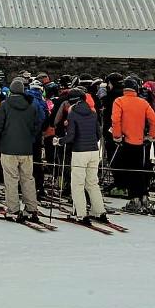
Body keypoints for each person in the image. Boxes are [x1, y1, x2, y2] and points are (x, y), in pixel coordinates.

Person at [0, 78, 43, 223]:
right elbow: (36, 125)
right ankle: (31, 208)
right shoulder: (32, 106)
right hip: (26, 149)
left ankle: (13, 209)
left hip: (8, 147)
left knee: (11, 179)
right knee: (28, 178)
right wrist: (31, 138)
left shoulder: (4, 105)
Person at [110, 78, 155, 213]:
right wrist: (151, 136)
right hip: (139, 142)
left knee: (129, 171)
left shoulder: (119, 101)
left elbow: (115, 119)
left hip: (125, 141)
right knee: (140, 170)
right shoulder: (143, 102)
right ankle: (144, 196)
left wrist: (117, 136)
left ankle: (135, 199)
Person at [62, 88, 107, 222]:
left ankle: (80, 213)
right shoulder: (92, 112)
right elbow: (98, 135)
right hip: (93, 151)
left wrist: (59, 141)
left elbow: (70, 136)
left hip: (79, 152)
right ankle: (99, 211)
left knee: (77, 184)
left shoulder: (73, 113)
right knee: (92, 183)